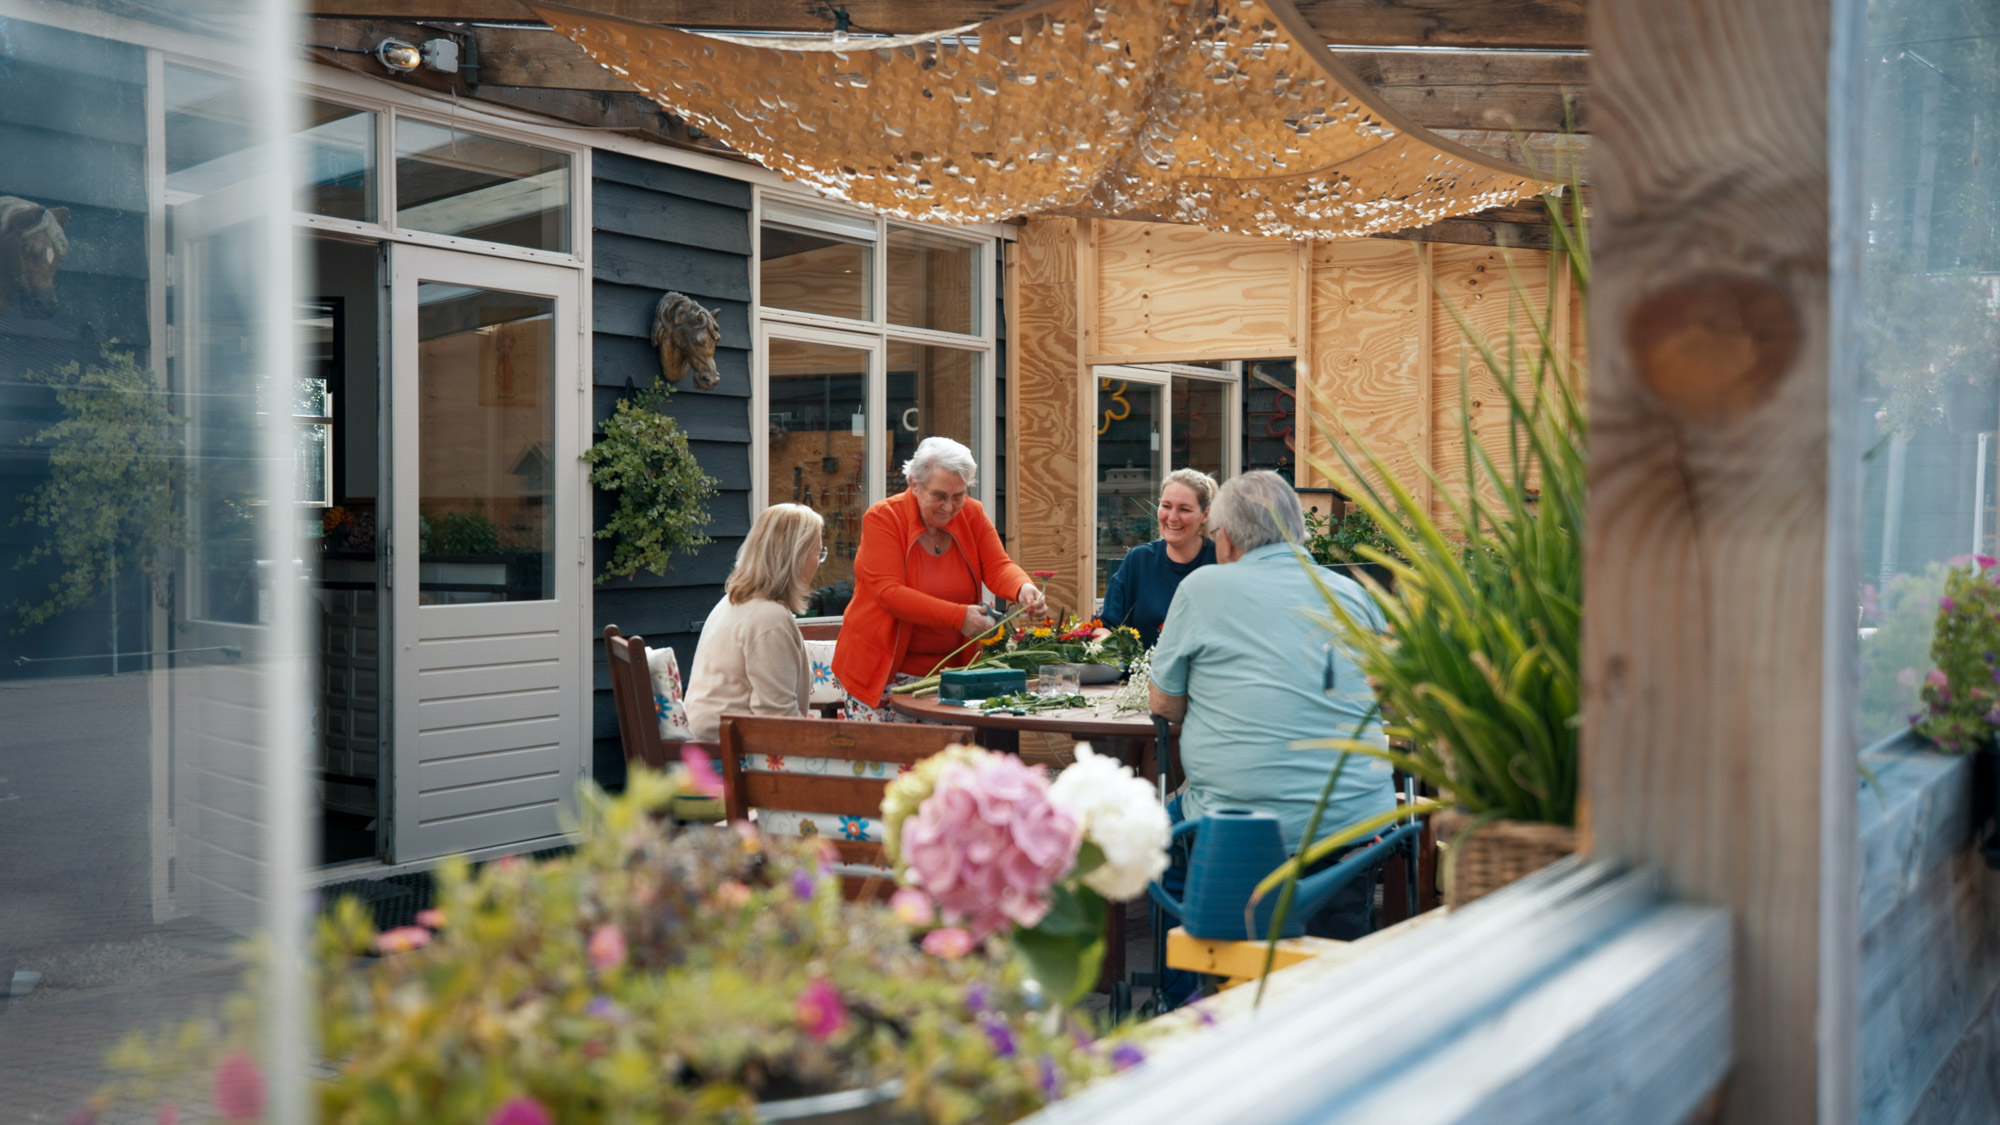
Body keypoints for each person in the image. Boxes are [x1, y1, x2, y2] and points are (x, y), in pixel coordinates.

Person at [1148, 470, 1393, 940]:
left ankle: (1190, 990)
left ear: (1231, 539)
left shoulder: (1202, 589)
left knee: (1160, 841)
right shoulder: (1352, 594)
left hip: (1240, 827)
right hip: (1354, 832)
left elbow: (1165, 705)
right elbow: (1380, 693)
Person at [833, 436, 1048, 714]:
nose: (949, 507)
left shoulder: (972, 513)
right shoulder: (884, 518)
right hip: (884, 674)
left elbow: (997, 566)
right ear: (914, 484)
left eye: (958, 495)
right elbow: (889, 594)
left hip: (953, 675)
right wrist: (959, 617)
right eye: (939, 496)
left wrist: (1022, 588)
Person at [682, 503, 825, 743]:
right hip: (725, 757)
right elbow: (777, 721)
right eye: (818, 552)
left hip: (708, 746)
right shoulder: (769, 618)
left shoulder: (734, 602)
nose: (820, 562)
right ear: (796, 556)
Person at [1098, 467, 1218, 647]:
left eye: (1184, 509)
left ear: (1205, 515)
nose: (1172, 517)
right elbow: (1105, 625)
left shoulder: (1221, 561)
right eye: (1166, 506)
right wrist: (1106, 649)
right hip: (1138, 673)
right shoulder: (1139, 560)